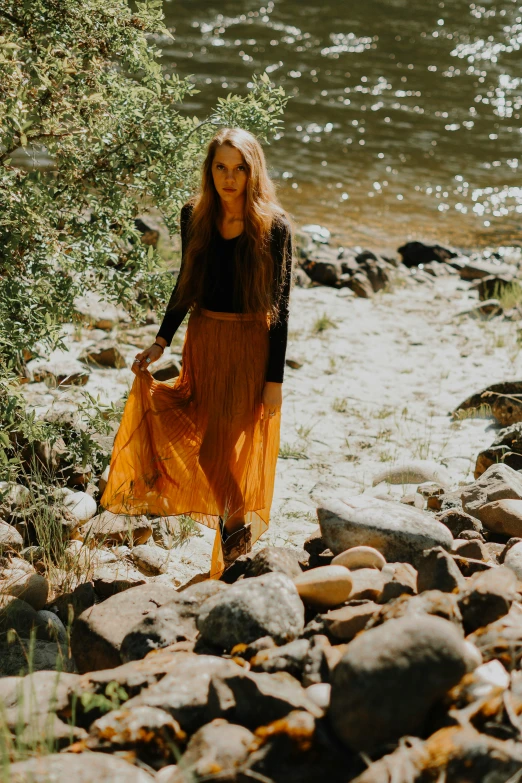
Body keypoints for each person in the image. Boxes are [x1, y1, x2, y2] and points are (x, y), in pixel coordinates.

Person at [99, 127, 293, 578]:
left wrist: (274, 381)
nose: (230, 178)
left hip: (249, 347)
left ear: (253, 172)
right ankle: (237, 549)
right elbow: (186, 284)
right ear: (210, 171)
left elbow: (281, 309)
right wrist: (161, 341)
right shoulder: (195, 215)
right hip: (203, 342)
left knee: (213, 452)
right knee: (203, 435)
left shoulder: (274, 226)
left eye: (239, 168)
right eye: (221, 167)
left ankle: (237, 531)